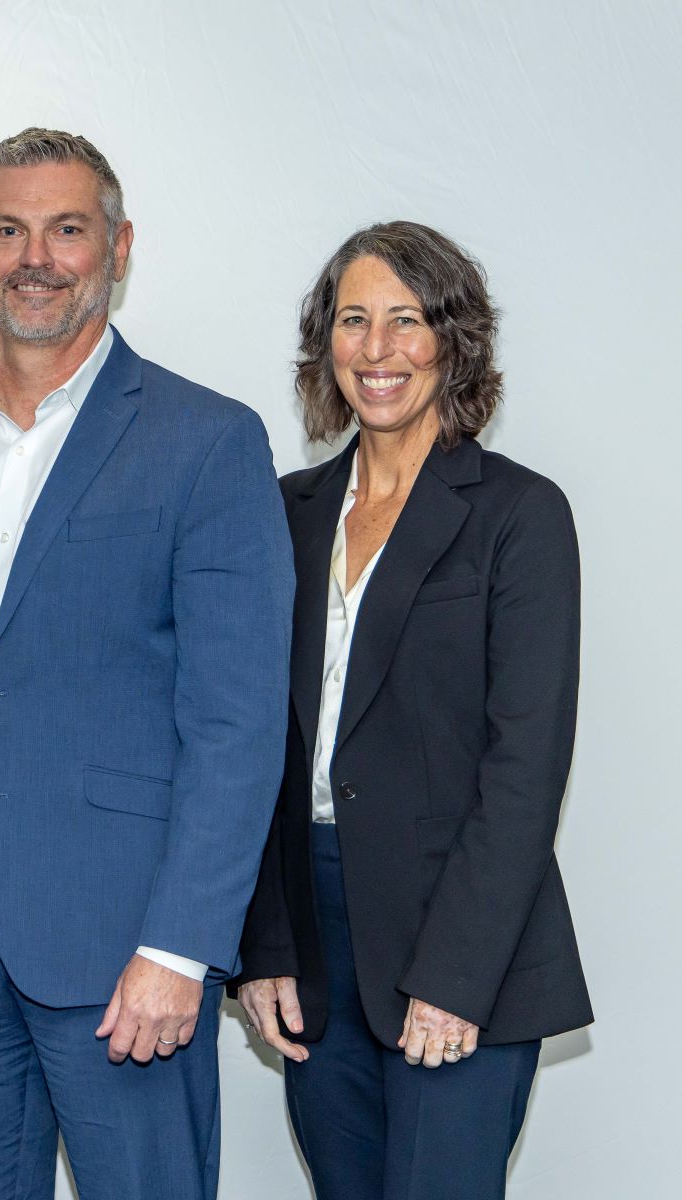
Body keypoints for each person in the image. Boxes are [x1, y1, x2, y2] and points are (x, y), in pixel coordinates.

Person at [0, 126, 293, 1199]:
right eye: (8, 229)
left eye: (65, 229)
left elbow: (235, 725)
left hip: (123, 942)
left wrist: (182, 947)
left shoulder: (205, 439)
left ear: (117, 247)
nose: (34, 256)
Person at [230, 221, 592, 1199]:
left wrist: (454, 976)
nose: (376, 349)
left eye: (404, 320)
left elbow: (523, 770)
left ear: (452, 339)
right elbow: (253, 744)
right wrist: (260, 949)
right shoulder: (281, 512)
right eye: (353, 320)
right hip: (309, 934)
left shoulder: (516, 515)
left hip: (454, 931)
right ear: (324, 341)